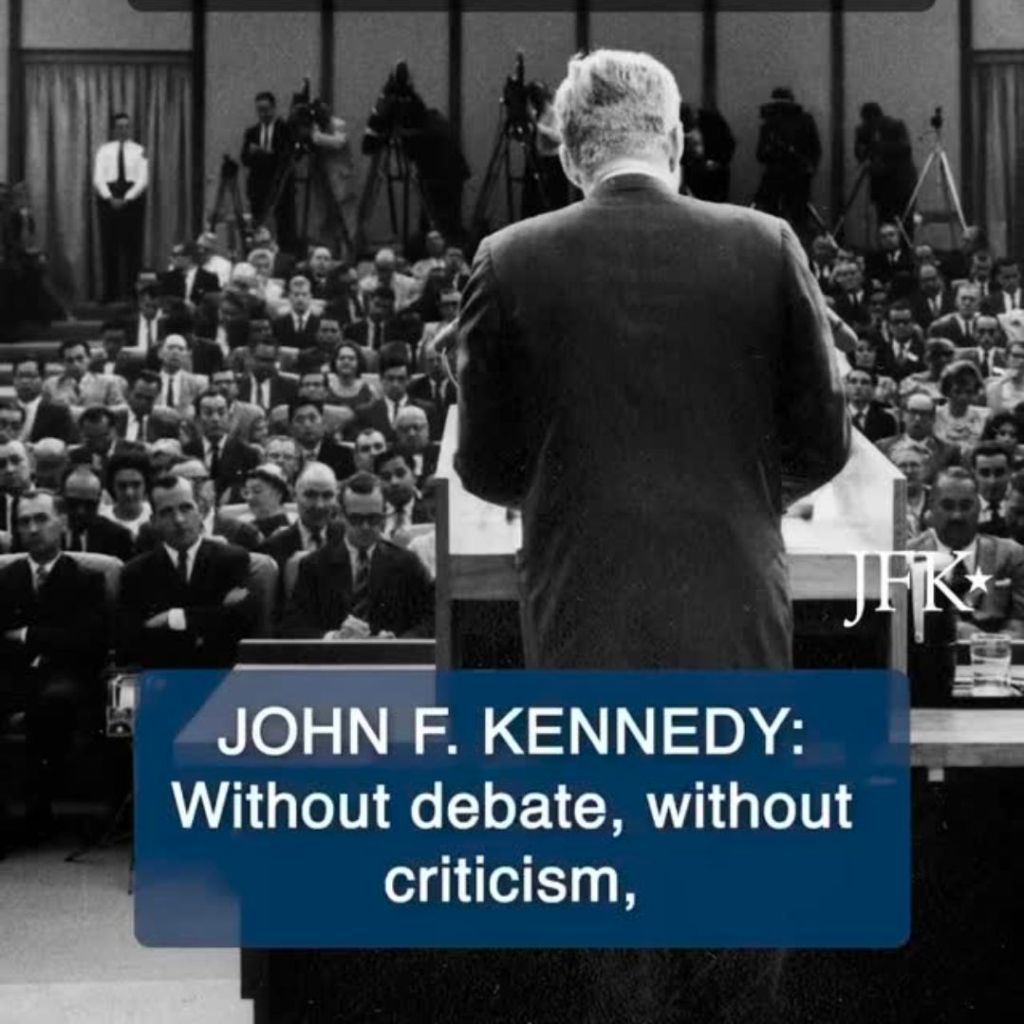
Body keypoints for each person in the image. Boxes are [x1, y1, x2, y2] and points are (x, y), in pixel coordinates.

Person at [456, 48, 848, 671]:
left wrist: (563, 491)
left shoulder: (506, 259)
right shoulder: (767, 244)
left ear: (569, 157)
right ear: (675, 142)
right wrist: (739, 494)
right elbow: (824, 443)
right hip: (735, 604)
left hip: (578, 608)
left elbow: (484, 464)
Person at [0, 490, 110, 833]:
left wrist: (27, 634)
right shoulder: (6, 578)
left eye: (41, 519)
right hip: (12, 675)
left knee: (54, 703)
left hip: (65, 677)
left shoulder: (87, 578)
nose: (33, 529)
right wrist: (52, 637)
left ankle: (38, 811)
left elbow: (87, 641)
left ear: (61, 522)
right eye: (24, 521)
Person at [116, 474, 254, 668]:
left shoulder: (232, 560)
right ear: (153, 521)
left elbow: (241, 623)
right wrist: (211, 614)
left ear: (201, 511)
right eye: (167, 512)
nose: (179, 520)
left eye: (186, 508)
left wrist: (174, 617)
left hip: (221, 673)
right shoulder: (135, 572)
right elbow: (131, 641)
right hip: (163, 675)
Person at [280, 471, 432, 639]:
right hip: (334, 654)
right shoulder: (314, 565)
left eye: (373, 519)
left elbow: (431, 621)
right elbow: (292, 626)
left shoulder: (407, 564)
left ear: (384, 514)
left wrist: (398, 643)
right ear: (341, 516)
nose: (365, 527)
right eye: (356, 519)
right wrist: (333, 638)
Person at [909, 468, 1024, 640]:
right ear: (931, 507)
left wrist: (980, 642)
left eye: (965, 506)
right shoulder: (907, 556)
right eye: (947, 506)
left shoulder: (1012, 555)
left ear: (979, 506)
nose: (957, 515)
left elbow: (1020, 626)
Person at [93, 112, 148, 301]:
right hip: (108, 200)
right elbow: (98, 178)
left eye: (126, 126)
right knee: (109, 247)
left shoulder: (140, 150)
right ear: (114, 129)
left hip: (132, 201)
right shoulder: (104, 150)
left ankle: (132, 293)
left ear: (130, 128)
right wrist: (110, 198)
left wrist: (127, 198)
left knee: (132, 247)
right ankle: (110, 293)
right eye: (119, 127)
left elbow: (142, 180)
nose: (123, 130)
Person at [753, 87, 821, 236]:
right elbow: (760, 154)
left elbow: (814, 149)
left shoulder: (802, 122)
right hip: (780, 176)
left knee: (797, 218)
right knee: (777, 216)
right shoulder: (771, 124)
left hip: (795, 176)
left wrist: (807, 166)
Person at [240, 91, 296, 251]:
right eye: (259, 110)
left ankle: (285, 253)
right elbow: (245, 158)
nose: (263, 114)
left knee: (284, 222)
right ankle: (258, 251)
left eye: (266, 109)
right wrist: (258, 154)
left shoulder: (284, 129)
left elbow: (284, 157)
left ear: (273, 108)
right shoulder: (252, 132)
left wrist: (263, 154)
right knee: (258, 223)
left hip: (280, 185)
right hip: (258, 185)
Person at [854, 103, 917, 231]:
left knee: (903, 221)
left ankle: (903, 243)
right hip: (883, 184)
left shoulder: (894, 126)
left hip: (900, 183)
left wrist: (879, 146)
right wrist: (861, 142)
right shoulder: (866, 131)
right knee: (886, 222)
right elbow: (861, 155)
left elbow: (905, 148)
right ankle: (892, 243)